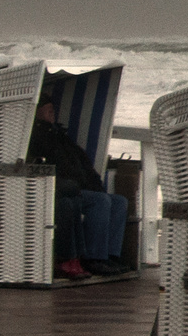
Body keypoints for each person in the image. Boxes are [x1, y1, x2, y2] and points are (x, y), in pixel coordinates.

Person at [29, 92, 127, 279]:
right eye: (47, 109)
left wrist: (95, 184)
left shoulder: (60, 136)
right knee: (101, 201)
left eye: (52, 109)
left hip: (81, 187)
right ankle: (94, 258)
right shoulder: (37, 137)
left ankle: (110, 255)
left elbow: (82, 164)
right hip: (61, 190)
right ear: (36, 112)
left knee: (119, 201)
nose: (52, 112)